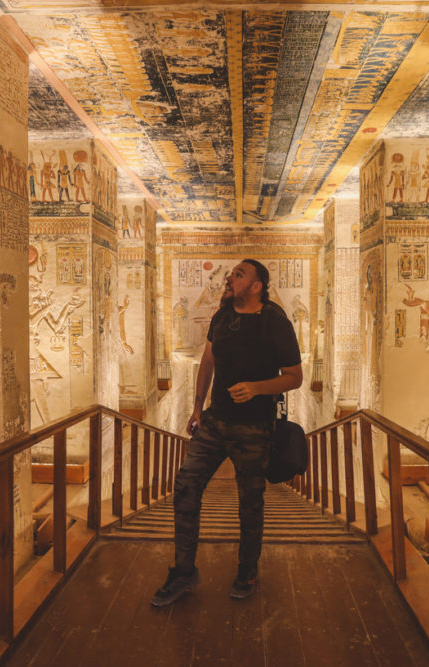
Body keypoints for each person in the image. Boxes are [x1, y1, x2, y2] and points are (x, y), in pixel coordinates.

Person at [150, 259, 302, 606]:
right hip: (215, 421)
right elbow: (208, 361)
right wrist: (197, 406)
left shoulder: (275, 322)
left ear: (256, 285)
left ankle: (247, 570)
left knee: (250, 502)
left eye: (239, 274)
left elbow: (295, 377)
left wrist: (257, 388)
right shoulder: (221, 317)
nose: (229, 278)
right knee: (186, 487)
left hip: (254, 426)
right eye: (231, 273)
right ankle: (184, 571)